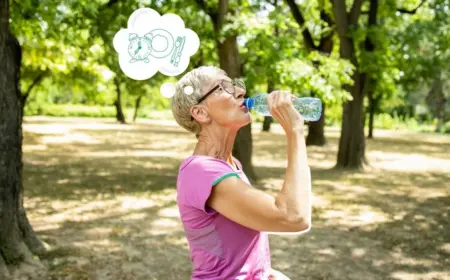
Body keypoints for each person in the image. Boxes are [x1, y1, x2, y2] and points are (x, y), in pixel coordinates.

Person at [170, 66, 312, 280]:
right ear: (201, 112)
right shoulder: (201, 171)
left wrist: (265, 273)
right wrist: (295, 131)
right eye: (223, 87)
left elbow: (235, 250)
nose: (239, 92)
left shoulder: (230, 165)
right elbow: (294, 217)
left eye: (235, 83)